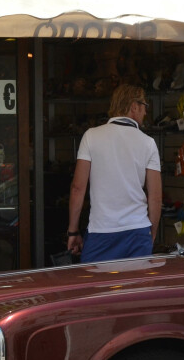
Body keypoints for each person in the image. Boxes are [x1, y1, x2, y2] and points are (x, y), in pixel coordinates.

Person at [66, 84, 162, 262]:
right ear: (134, 106)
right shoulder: (148, 143)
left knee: (95, 288)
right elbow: (155, 197)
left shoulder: (91, 136)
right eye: (145, 106)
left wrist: (73, 231)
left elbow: (78, 188)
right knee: (135, 289)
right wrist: (151, 234)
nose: (146, 112)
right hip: (137, 231)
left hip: (101, 232)